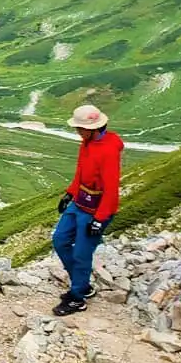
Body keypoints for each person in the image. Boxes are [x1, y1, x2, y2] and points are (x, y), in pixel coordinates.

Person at [52, 104, 123, 317]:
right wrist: (70, 193)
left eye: (80, 128)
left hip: (96, 209)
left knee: (81, 254)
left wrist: (100, 219)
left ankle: (77, 298)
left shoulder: (108, 151)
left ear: (93, 129)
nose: (77, 131)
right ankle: (82, 284)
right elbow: (81, 172)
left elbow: (111, 188)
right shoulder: (87, 143)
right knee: (60, 239)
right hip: (80, 201)